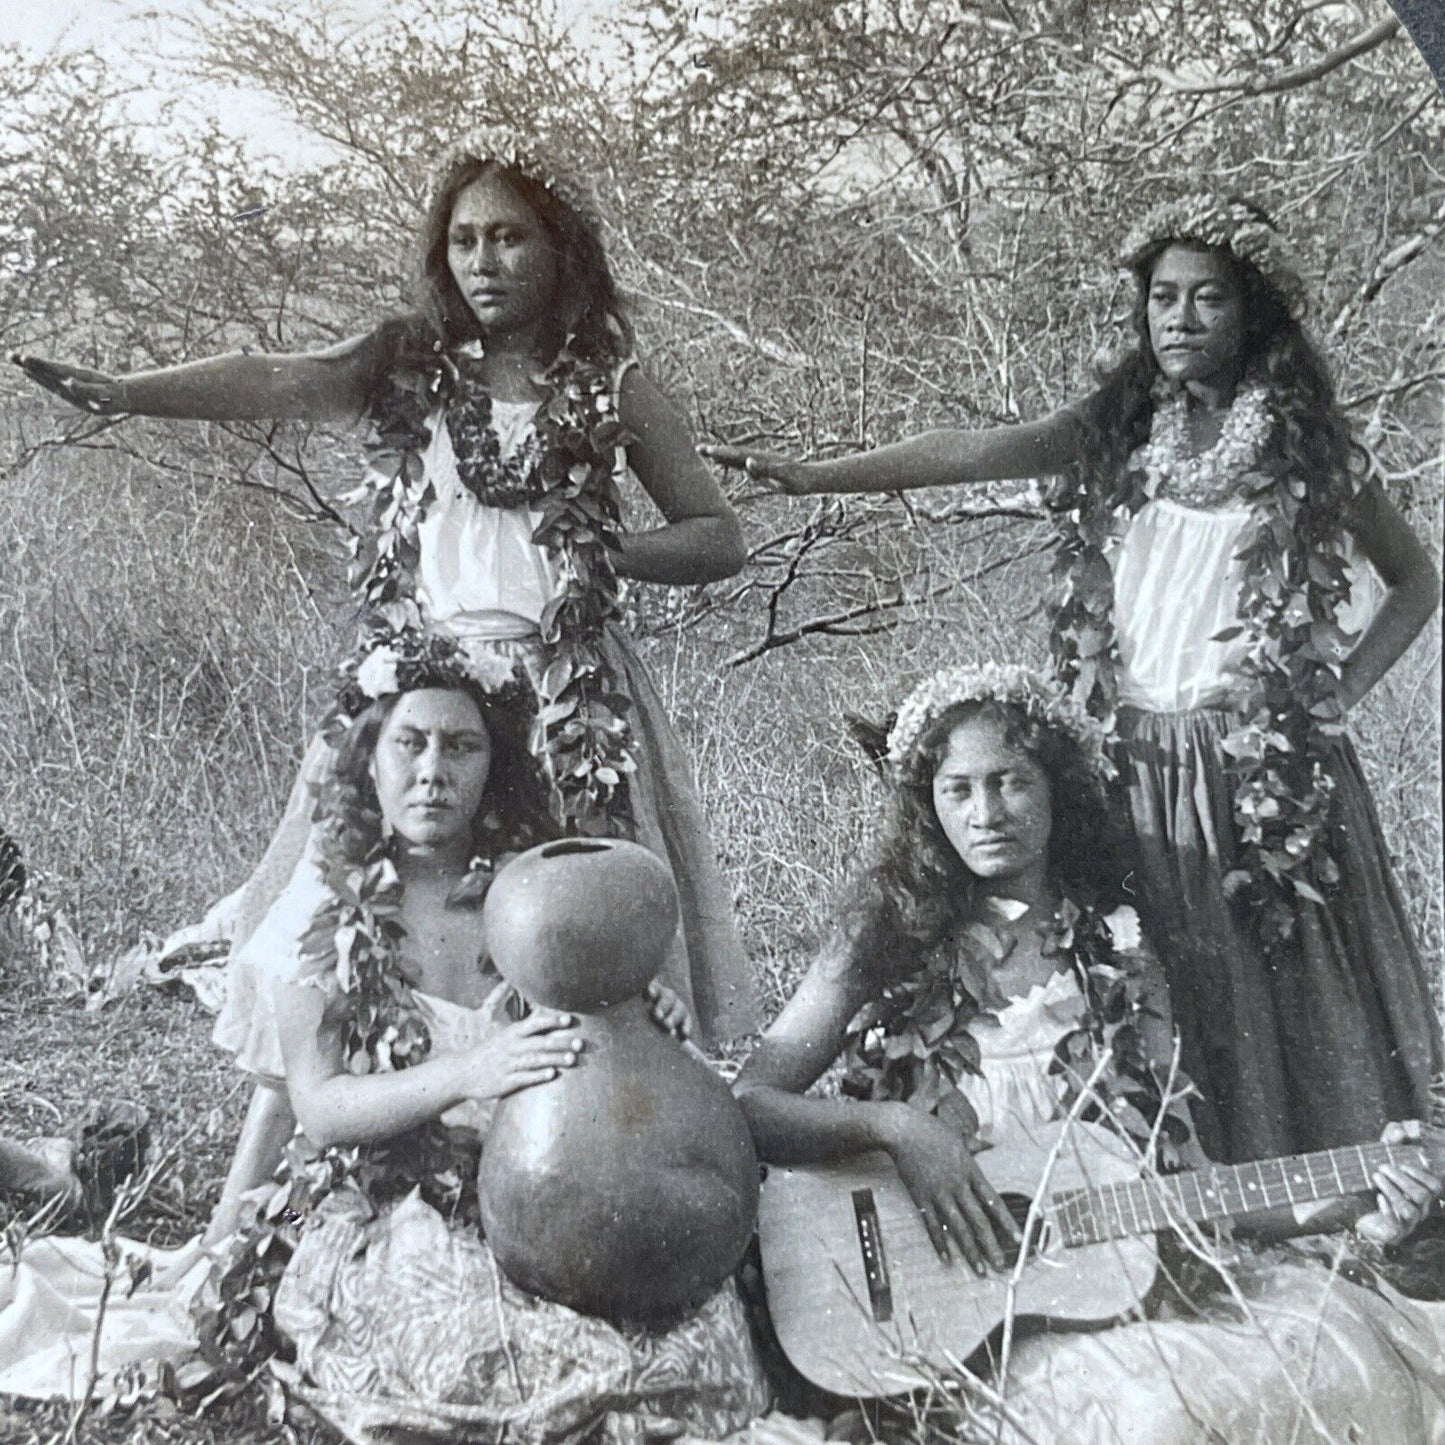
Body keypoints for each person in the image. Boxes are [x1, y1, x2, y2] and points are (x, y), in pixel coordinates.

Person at [15, 130, 759, 1237]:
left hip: (565, 706)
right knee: (334, 938)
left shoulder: (613, 386)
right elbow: (279, 378)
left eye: (510, 236)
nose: (484, 261)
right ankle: (238, 1225)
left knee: (566, 958)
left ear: (561, 252)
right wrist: (130, 389)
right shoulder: (408, 361)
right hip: (419, 700)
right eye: (463, 239)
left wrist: (599, 554)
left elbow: (717, 535)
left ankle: (596, 1194)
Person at [708, 193, 1441, 1164]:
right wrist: (814, 474)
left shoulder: (1302, 454)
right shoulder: (1120, 429)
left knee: (1281, 981)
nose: (1177, 319)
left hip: (1260, 764)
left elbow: (1414, 579)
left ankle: (1326, 1196)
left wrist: (1334, 695)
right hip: (1136, 757)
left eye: (1206, 299)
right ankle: (1179, 1185)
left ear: (1251, 313)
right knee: (1162, 968)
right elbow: (976, 450)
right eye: (1161, 299)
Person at [734, 663, 1445, 1443]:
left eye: (1010, 782)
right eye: (958, 789)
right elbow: (752, 1103)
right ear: (926, 806)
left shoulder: (1121, 945)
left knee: (1330, 1357)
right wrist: (895, 1129)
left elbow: (1184, 1180)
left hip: (1109, 1297)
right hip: (962, 1327)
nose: (985, 812)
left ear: (1058, 790)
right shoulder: (881, 942)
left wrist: (1347, 1199)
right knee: (1154, 1422)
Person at [207, 629, 769, 1442]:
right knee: (497, 1356)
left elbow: (600, 1050)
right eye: (410, 743)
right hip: (405, 1205)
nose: (433, 770)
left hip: (565, 1192)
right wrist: (470, 1072)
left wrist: (643, 1023)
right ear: (369, 758)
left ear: (491, 767)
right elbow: (321, 1105)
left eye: (460, 747)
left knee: (704, 1342)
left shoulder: (537, 893)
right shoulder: (319, 915)